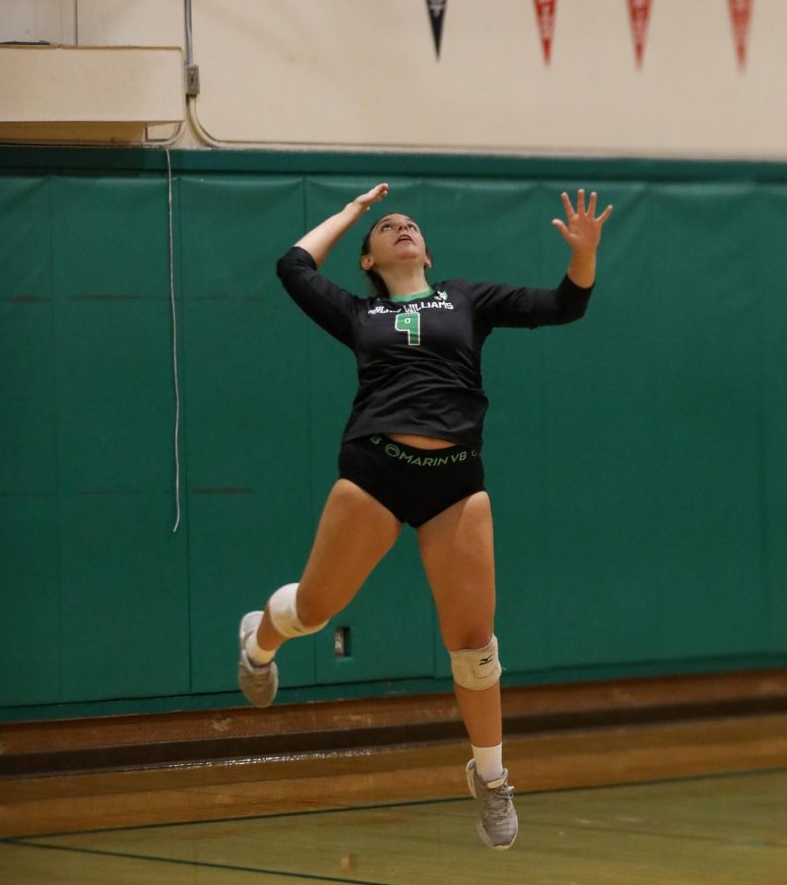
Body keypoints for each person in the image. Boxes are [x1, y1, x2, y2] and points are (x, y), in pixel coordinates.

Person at [237, 184, 612, 850]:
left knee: (473, 644)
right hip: (375, 472)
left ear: (428, 250)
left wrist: (583, 255)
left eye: (410, 224)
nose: (401, 227)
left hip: (455, 483)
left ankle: (492, 779)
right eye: (386, 227)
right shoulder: (357, 312)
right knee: (316, 609)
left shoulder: (467, 299)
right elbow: (292, 266)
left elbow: (566, 305)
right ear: (368, 259)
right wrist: (351, 211)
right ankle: (260, 642)